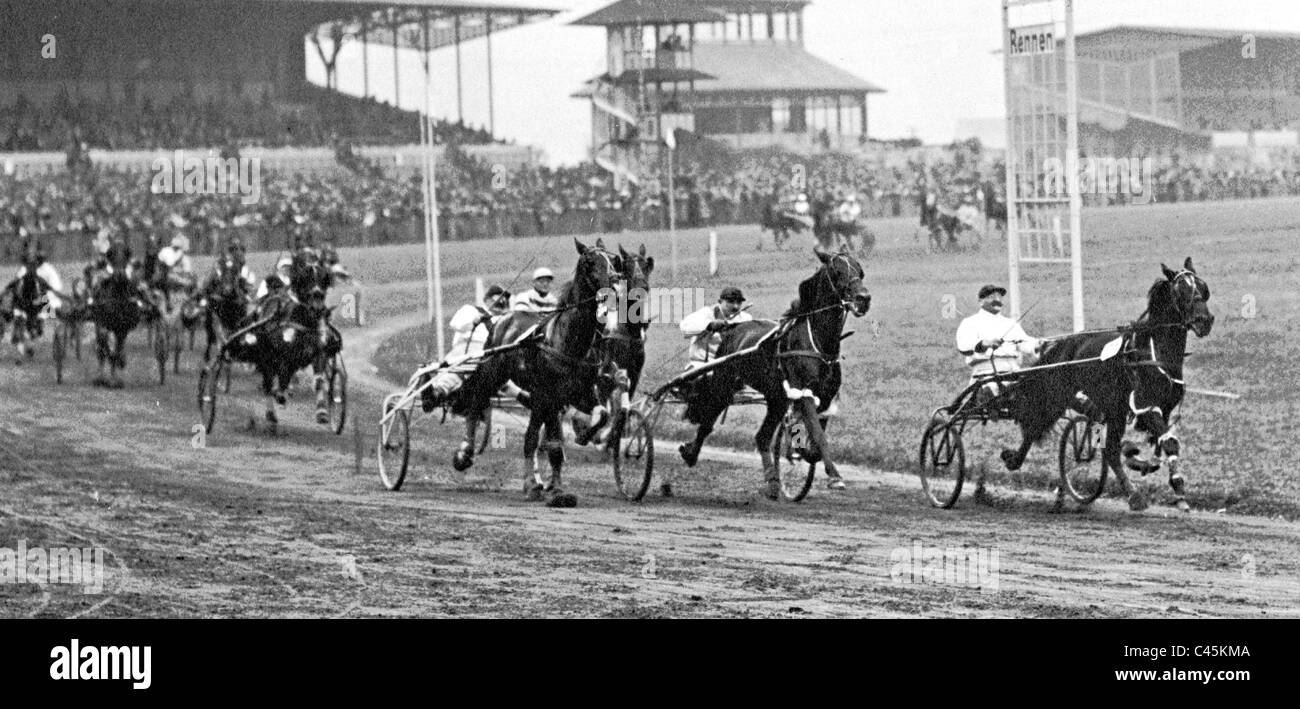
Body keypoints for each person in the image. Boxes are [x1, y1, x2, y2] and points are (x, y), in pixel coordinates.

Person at [419, 285, 513, 413]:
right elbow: (456, 324)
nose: (501, 302)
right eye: (497, 298)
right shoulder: (472, 310)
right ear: (487, 299)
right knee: (458, 369)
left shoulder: (507, 319)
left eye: (504, 300)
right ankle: (436, 393)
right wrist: (473, 322)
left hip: (493, 354)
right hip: (468, 348)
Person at [954, 285, 1039, 403]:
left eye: (999, 297)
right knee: (992, 387)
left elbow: (1025, 342)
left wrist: (1038, 344)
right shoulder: (970, 322)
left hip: (1013, 372)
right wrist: (985, 343)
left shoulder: (1010, 323)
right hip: (985, 373)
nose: (997, 300)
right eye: (991, 297)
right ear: (980, 301)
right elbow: (964, 346)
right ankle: (987, 395)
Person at [680, 286, 753, 368]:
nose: (735, 306)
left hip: (730, 365)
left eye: (739, 302)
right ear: (720, 301)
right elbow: (684, 327)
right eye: (731, 302)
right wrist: (709, 325)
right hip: (702, 365)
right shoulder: (706, 313)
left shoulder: (746, 318)